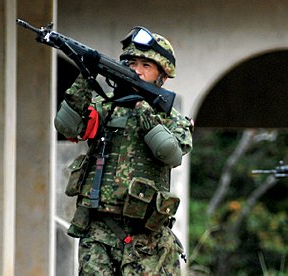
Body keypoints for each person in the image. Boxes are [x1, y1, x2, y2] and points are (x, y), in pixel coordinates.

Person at [54, 25, 193, 275]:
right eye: (132, 63)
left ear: (162, 77)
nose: (136, 71)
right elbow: (67, 127)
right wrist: (85, 78)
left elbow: (171, 154)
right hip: (98, 229)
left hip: (145, 236)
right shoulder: (104, 106)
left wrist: (143, 110)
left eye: (146, 66)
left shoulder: (172, 118)